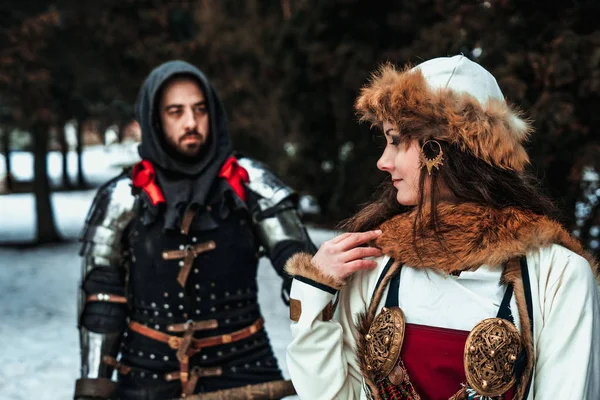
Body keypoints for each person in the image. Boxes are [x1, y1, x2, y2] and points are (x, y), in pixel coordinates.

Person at [285, 55, 600, 400]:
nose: (382, 162)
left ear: (439, 148)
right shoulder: (374, 263)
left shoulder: (558, 276)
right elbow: (331, 395)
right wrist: (314, 290)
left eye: (394, 140)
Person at [74, 60, 315, 400]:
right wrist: (93, 387)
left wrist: (325, 353)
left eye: (199, 110)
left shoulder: (250, 184)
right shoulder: (122, 198)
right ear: (155, 120)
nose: (191, 122)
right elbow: (102, 300)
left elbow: (306, 273)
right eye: (176, 111)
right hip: (147, 376)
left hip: (245, 371)